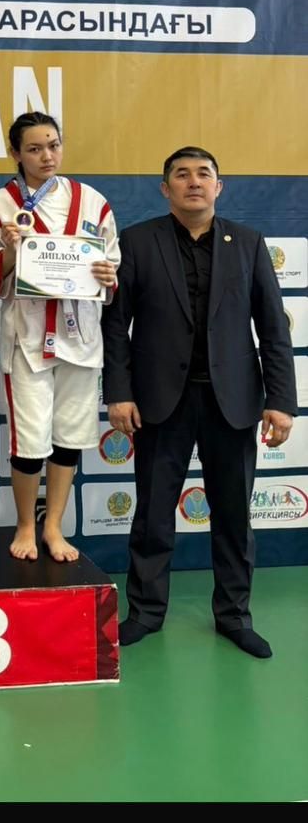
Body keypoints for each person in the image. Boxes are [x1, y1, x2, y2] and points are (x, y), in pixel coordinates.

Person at [102, 146, 296, 657]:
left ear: (218, 186)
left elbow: (273, 328)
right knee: (152, 513)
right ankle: (145, 612)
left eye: (203, 174)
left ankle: (234, 616)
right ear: (165, 188)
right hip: (158, 401)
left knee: (233, 516)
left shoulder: (248, 243)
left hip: (232, 401)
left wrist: (281, 400)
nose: (194, 182)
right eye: (182, 175)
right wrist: (118, 392)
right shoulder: (137, 241)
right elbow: (116, 327)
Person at [0, 113, 119, 562]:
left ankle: (53, 526)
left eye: (53, 145)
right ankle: (25, 525)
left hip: (80, 335)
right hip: (29, 337)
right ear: (15, 153)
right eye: (34, 149)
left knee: (70, 435)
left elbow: (111, 264)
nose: (47, 156)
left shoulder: (92, 201)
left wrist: (108, 274)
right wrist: (10, 250)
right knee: (30, 440)